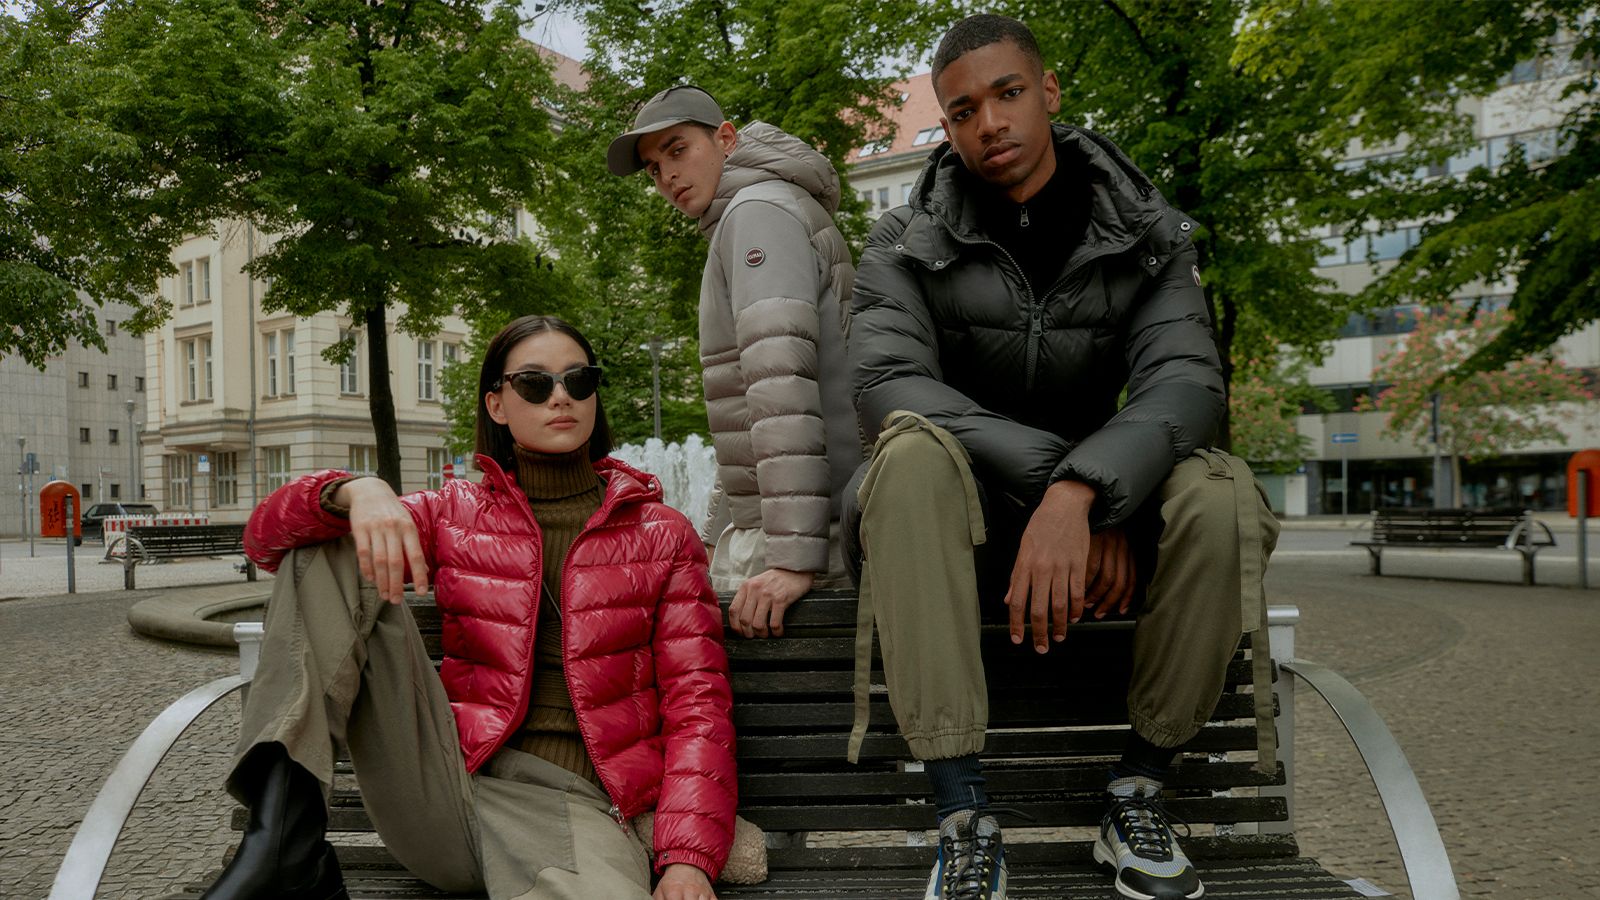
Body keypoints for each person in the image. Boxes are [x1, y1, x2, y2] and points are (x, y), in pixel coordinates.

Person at [843, 15, 1279, 900]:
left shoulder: (1149, 233)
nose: (989, 123)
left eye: (1007, 94)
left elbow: (1188, 385)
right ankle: (963, 818)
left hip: (1102, 528)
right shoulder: (902, 241)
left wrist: (1091, 495)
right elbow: (888, 385)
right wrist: (1073, 487)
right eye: (963, 111)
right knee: (910, 456)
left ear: (1048, 91)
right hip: (956, 533)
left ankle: (1137, 792)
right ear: (947, 125)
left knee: (1221, 491)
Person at [202, 315, 735, 900]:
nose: (561, 396)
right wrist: (357, 490)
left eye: (579, 380)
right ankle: (285, 841)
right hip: (449, 785)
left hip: (573, 805)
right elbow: (266, 542)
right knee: (332, 543)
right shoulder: (455, 513)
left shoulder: (663, 534)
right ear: (497, 405)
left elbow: (697, 703)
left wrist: (688, 859)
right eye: (535, 383)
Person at [606, 86, 863, 640]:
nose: (667, 177)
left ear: (726, 139)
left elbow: (781, 387)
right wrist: (711, 535)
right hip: (815, 521)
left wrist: (793, 559)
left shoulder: (755, 214)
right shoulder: (768, 207)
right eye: (654, 168)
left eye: (677, 150)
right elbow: (752, 411)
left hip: (806, 538)